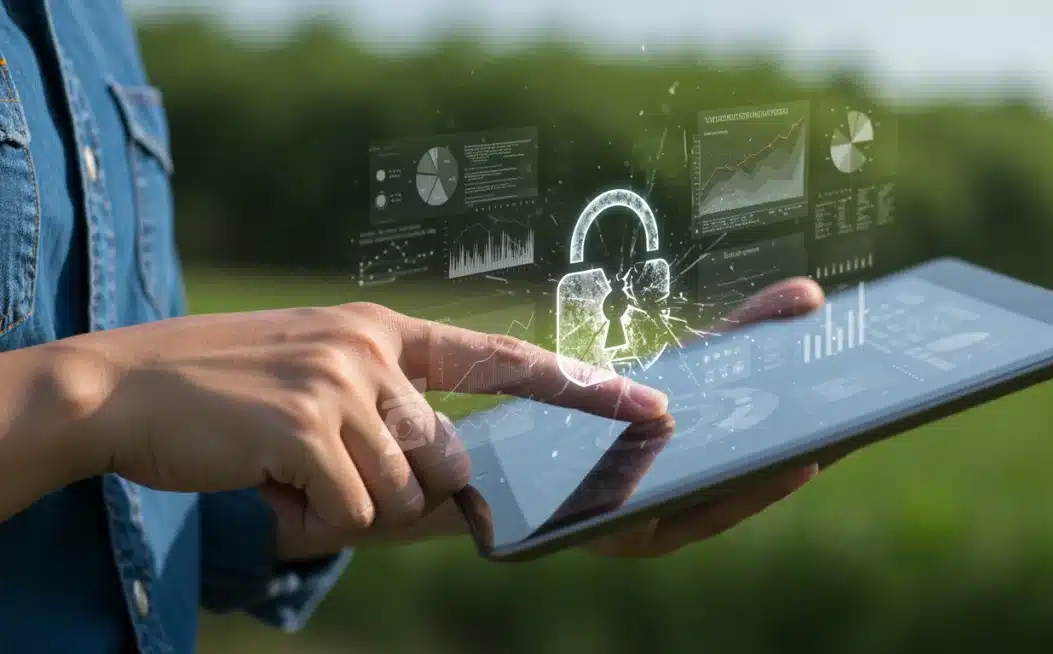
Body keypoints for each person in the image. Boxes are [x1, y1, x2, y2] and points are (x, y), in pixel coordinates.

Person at [0, 2, 826, 652]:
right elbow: (109, 415)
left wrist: (519, 475)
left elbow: (104, 506)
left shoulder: (90, 18)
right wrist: (93, 394)